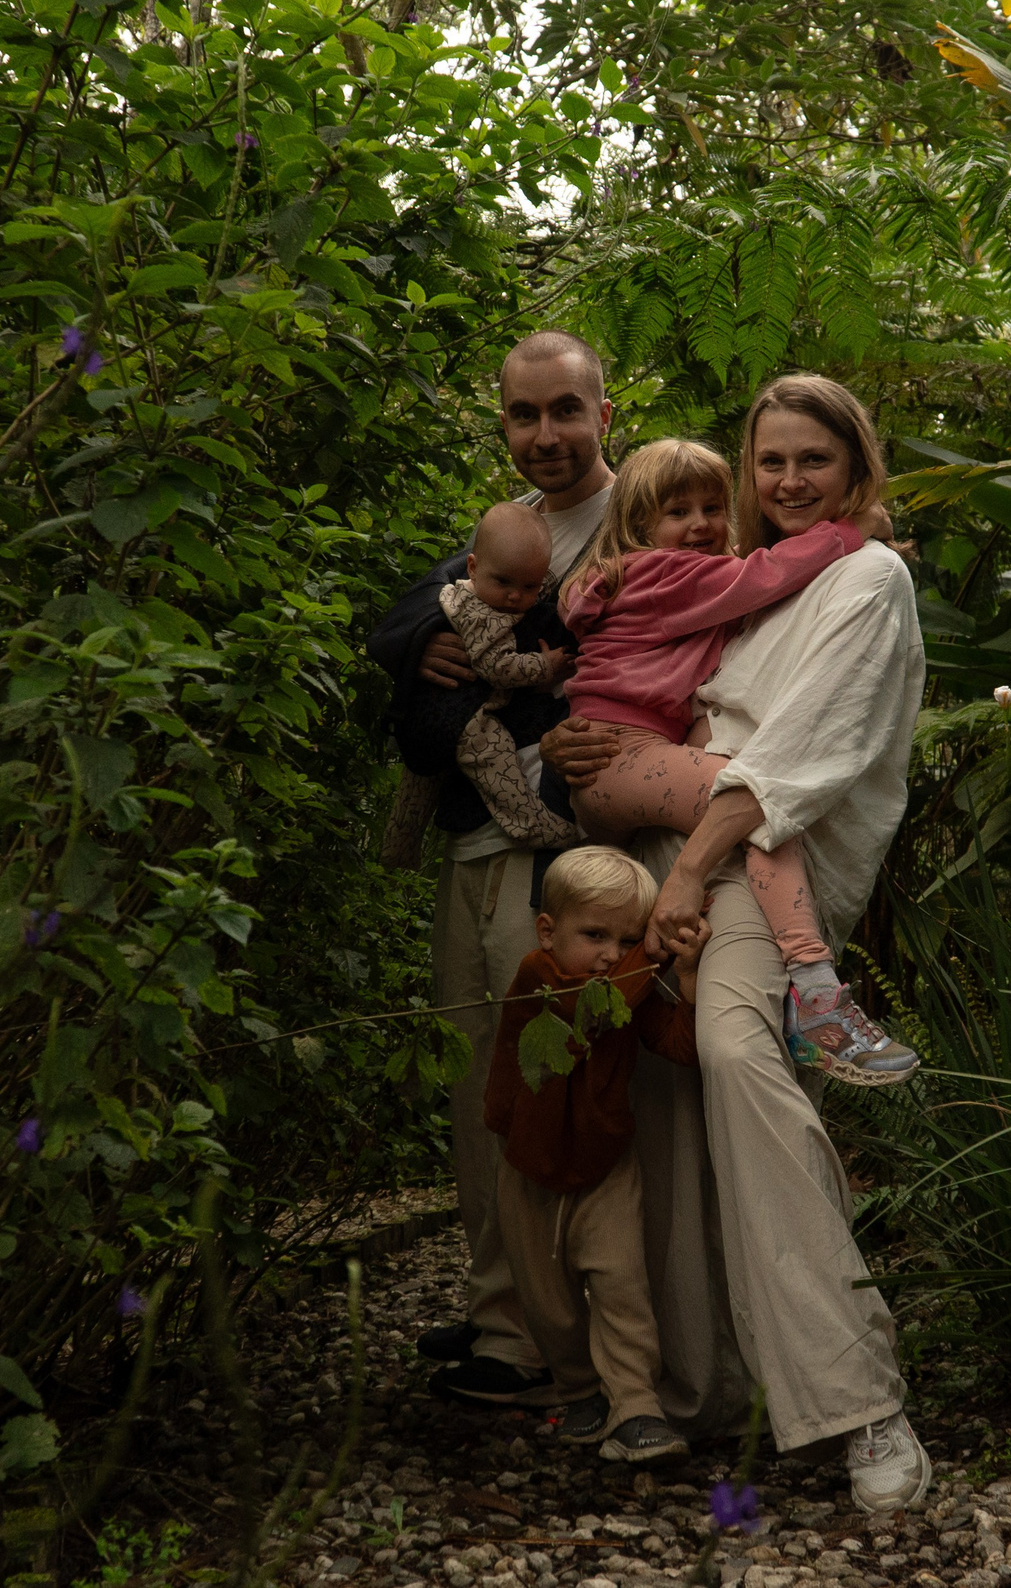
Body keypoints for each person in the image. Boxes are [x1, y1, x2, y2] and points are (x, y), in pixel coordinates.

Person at [541, 373, 933, 1510]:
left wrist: (693, 873)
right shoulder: (742, 587)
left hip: (761, 864)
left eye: (814, 460)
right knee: (664, 1101)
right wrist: (584, 757)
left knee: (735, 1062)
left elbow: (802, 756)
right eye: (770, 462)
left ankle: (861, 1405)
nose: (788, 481)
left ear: (856, 466)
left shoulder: (866, 574)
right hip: (685, 853)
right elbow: (667, 710)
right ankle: (703, 1385)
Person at [364, 330, 616, 1406]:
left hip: (565, 855)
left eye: (566, 410)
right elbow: (396, 628)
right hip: (472, 844)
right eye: (524, 415)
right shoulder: (493, 540)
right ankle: (498, 1307)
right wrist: (419, 638)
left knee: (548, 1081)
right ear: (501, 421)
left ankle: (562, 1339)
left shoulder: (635, 516)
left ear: (606, 411)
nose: (545, 435)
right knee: (478, 1082)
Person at [557, 439, 916, 1084]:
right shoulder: (662, 575)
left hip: (637, 754)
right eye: (677, 511)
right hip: (623, 754)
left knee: (752, 800)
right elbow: (765, 576)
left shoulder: (643, 577)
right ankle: (815, 990)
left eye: (713, 507)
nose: (700, 524)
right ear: (641, 524)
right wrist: (852, 530)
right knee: (759, 805)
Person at [483, 845, 706, 1464]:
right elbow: (582, 1022)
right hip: (530, 1167)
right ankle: (580, 1391)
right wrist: (649, 952)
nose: (612, 952)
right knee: (547, 1302)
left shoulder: (623, 989)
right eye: (595, 934)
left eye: (628, 937)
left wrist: (683, 980)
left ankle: (635, 1406)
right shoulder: (539, 975)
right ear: (547, 932)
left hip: (606, 1161)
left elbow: (681, 1047)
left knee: (620, 1283)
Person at [426, 503, 581, 848]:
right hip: (470, 720)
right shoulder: (481, 613)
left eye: (530, 587)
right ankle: (528, 824)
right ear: (473, 567)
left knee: (417, 793)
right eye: (503, 582)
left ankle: (399, 846)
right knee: (495, 760)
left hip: (462, 708)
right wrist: (546, 666)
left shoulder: (479, 595)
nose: (515, 596)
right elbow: (495, 667)